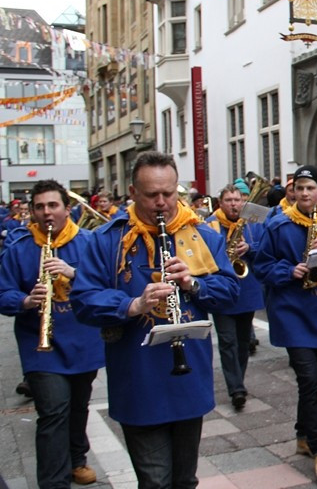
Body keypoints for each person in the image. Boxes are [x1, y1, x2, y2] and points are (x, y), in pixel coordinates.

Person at [70, 152, 240, 488]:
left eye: (169, 193)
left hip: (189, 377)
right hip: (139, 380)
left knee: (185, 480)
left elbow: (230, 291)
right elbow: (83, 300)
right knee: (154, 482)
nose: (162, 203)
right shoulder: (108, 240)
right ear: (133, 193)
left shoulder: (202, 235)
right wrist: (133, 304)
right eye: (152, 195)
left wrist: (193, 283)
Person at [0, 180, 104, 487]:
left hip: (83, 341)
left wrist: (74, 274)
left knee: (78, 406)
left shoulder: (88, 242)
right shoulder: (19, 247)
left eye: (53, 205)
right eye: (40, 207)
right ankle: (53, 482)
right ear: (32, 211)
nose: (47, 213)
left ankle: (77, 458)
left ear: (66, 209)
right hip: (40, 347)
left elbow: (106, 284)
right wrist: (24, 300)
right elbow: (3, 291)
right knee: (53, 411)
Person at [252, 165, 317, 479]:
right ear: (293, 191)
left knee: (314, 382)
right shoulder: (278, 224)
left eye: (311, 188)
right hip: (292, 312)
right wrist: (288, 271)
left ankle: (301, 433)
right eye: (300, 188)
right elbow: (262, 265)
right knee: (308, 380)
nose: (306, 194)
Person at [207, 184, 265, 409]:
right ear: (220, 203)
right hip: (222, 290)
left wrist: (249, 248)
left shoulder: (251, 223)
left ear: (243, 203)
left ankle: (238, 379)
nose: (233, 204)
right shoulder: (210, 225)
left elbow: (264, 248)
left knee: (242, 341)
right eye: (229, 200)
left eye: (237, 200)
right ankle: (236, 388)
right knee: (227, 341)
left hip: (246, 289)